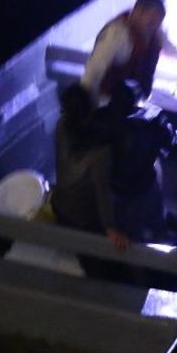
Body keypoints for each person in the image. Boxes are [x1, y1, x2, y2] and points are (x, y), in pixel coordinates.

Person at [102, 79, 177, 243]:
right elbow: (174, 144)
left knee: (128, 228)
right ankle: (159, 236)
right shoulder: (151, 119)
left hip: (114, 189)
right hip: (142, 187)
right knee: (149, 219)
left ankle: (152, 234)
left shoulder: (101, 118)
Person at [80, 0, 177, 105]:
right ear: (137, 12)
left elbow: (175, 55)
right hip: (106, 104)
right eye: (151, 21)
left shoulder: (155, 32)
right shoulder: (116, 34)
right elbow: (94, 71)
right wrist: (84, 107)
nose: (154, 27)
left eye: (158, 22)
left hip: (134, 104)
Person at [51, 84, 130, 251]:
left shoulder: (60, 126)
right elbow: (103, 194)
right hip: (81, 219)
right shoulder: (100, 153)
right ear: (89, 111)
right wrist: (111, 228)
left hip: (58, 205)